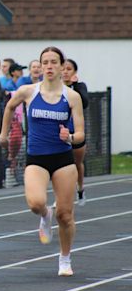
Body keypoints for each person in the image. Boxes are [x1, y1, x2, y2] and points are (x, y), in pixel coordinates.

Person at [0, 46, 84, 277]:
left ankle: (64, 259)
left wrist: (71, 137)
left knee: (65, 215)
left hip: (63, 159)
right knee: (35, 203)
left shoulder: (71, 96)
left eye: (53, 62)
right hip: (36, 158)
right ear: (40, 65)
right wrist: (4, 134)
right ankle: (45, 215)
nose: (48, 66)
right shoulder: (28, 91)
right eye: (44, 62)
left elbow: (82, 134)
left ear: (62, 66)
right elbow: (9, 106)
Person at [62, 58, 90, 206]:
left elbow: (85, 103)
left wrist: (75, 86)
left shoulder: (80, 87)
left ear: (74, 72)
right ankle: (64, 195)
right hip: (61, 133)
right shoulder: (56, 88)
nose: (65, 72)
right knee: (64, 165)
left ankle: (80, 188)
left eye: (69, 69)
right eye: (63, 69)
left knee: (77, 164)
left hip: (76, 133)